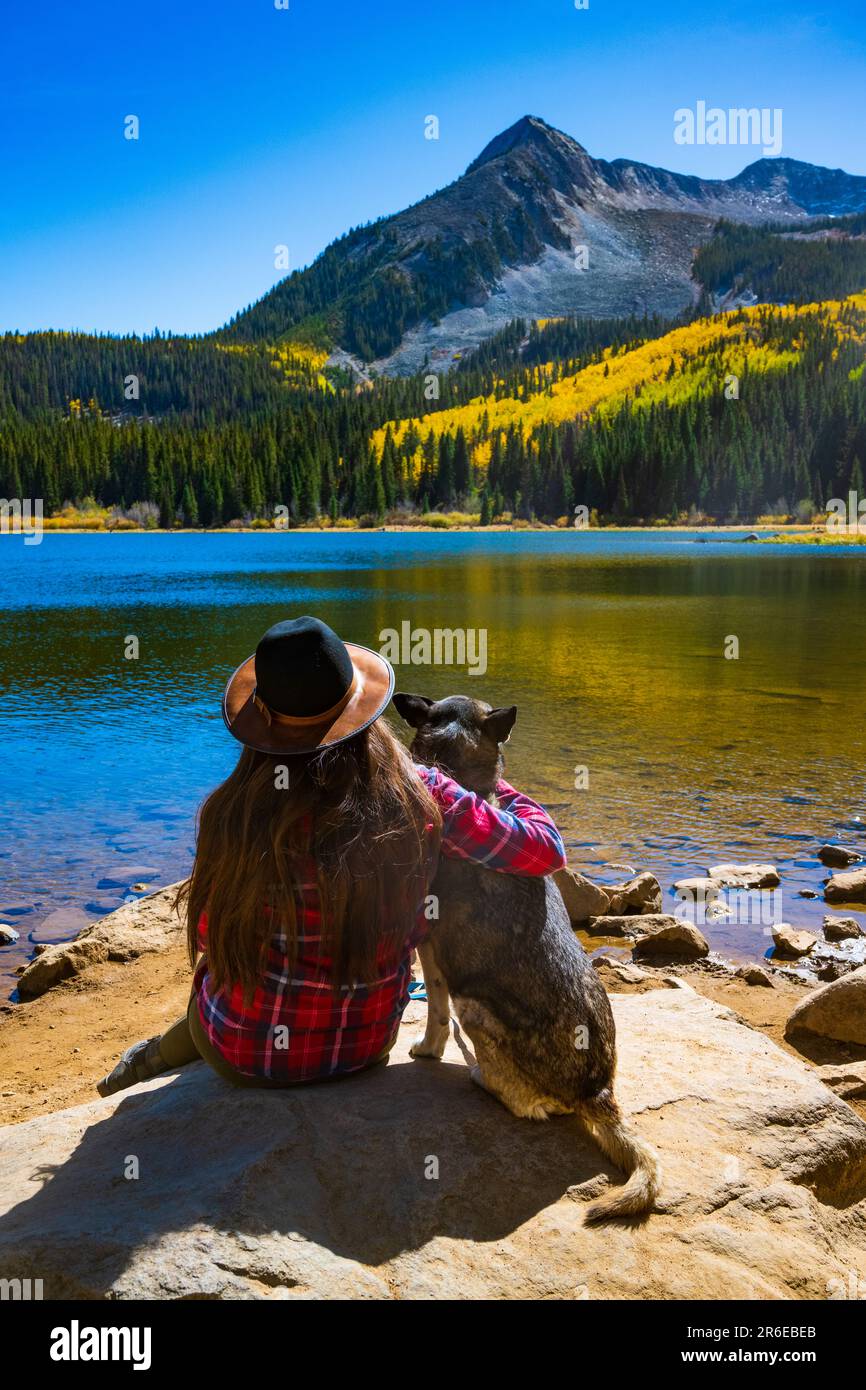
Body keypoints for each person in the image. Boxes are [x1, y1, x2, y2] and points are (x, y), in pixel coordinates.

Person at [98, 616, 566, 1095]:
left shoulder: (232, 815)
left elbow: (209, 935)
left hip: (246, 1058)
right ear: (362, 710)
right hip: (365, 1046)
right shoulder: (423, 793)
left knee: (213, 971)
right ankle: (150, 1056)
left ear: (262, 725)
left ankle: (147, 1060)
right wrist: (490, 778)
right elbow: (545, 852)